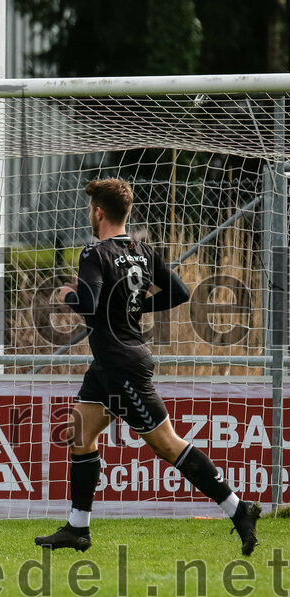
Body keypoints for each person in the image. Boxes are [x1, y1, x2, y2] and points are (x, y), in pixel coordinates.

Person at [35, 178, 261, 556]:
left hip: (121, 365)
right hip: (108, 366)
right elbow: (179, 292)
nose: (89, 214)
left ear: (99, 212)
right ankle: (78, 527)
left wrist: (67, 294)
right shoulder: (142, 251)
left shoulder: (95, 253)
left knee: (167, 445)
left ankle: (238, 509)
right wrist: (136, 306)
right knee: (80, 435)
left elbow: (88, 303)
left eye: (90, 209)